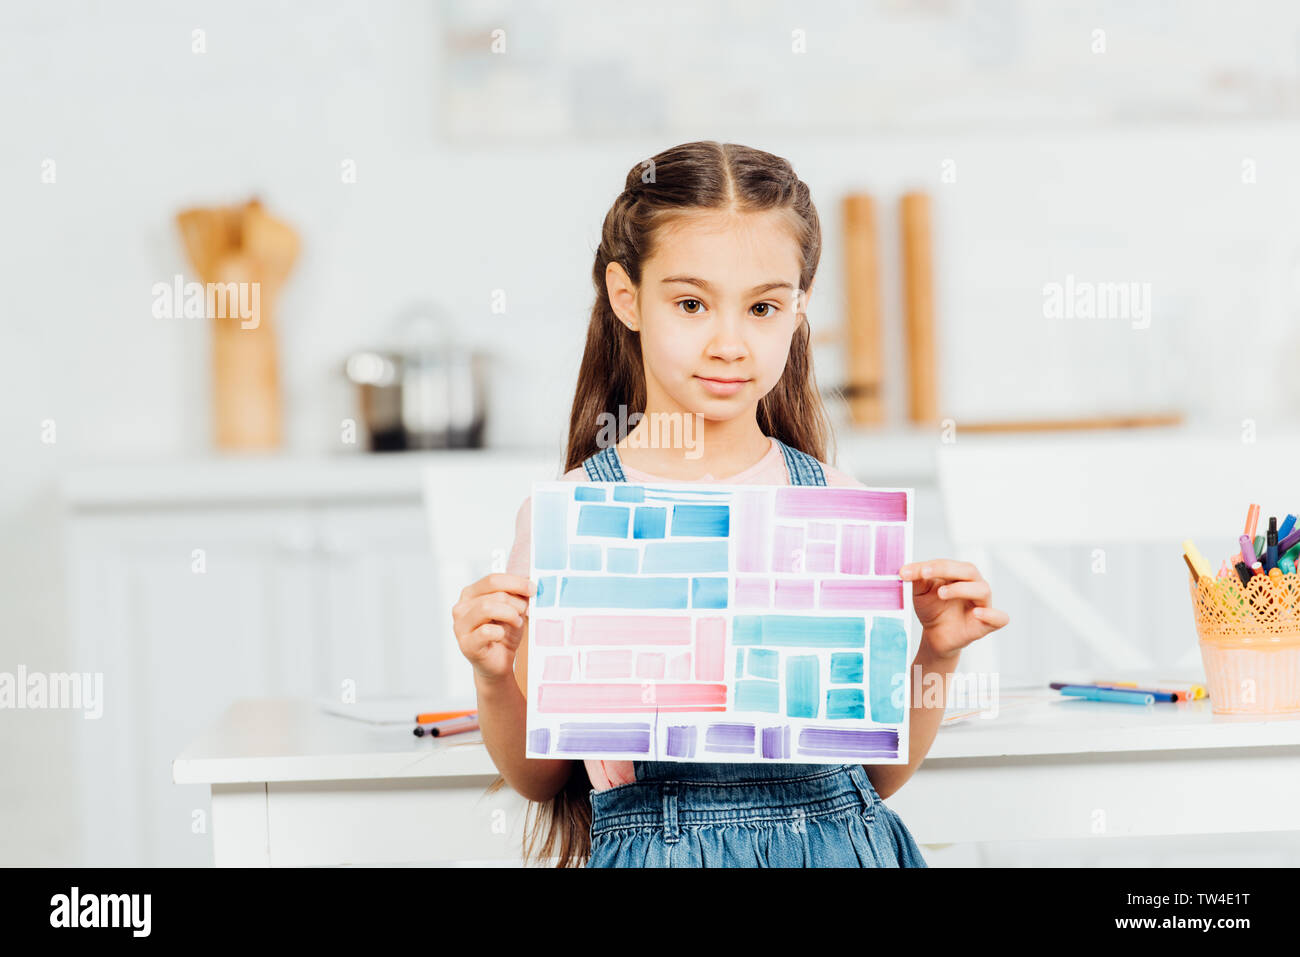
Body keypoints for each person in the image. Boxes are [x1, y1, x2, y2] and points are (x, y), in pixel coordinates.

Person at [452, 140, 1009, 867]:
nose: (729, 342)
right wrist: (492, 674)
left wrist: (938, 649)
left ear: (800, 308)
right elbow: (539, 778)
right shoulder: (577, 513)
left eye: (763, 307)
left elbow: (876, 775)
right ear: (628, 298)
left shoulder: (838, 504)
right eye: (690, 303)